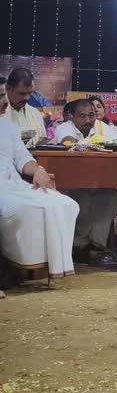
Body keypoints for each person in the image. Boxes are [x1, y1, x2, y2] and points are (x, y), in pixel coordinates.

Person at [0, 79, 79, 281]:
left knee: (64, 203)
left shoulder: (8, 128)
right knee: (28, 209)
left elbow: (23, 158)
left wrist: (38, 170)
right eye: (0, 97)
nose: (4, 102)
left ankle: (50, 267)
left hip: (12, 185)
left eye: (3, 96)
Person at [53, 99, 117, 263]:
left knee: (114, 197)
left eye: (91, 115)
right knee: (82, 197)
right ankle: (78, 244)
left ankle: (96, 244)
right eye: (82, 116)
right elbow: (68, 141)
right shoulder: (64, 127)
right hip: (68, 184)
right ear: (72, 117)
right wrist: (97, 145)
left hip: (96, 181)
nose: (88, 121)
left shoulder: (101, 127)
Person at [6, 65, 46, 146]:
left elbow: (43, 142)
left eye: (30, 93)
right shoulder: (1, 111)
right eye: (22, 93)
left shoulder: (35, 113)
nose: (27, 98)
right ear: (8, 88)